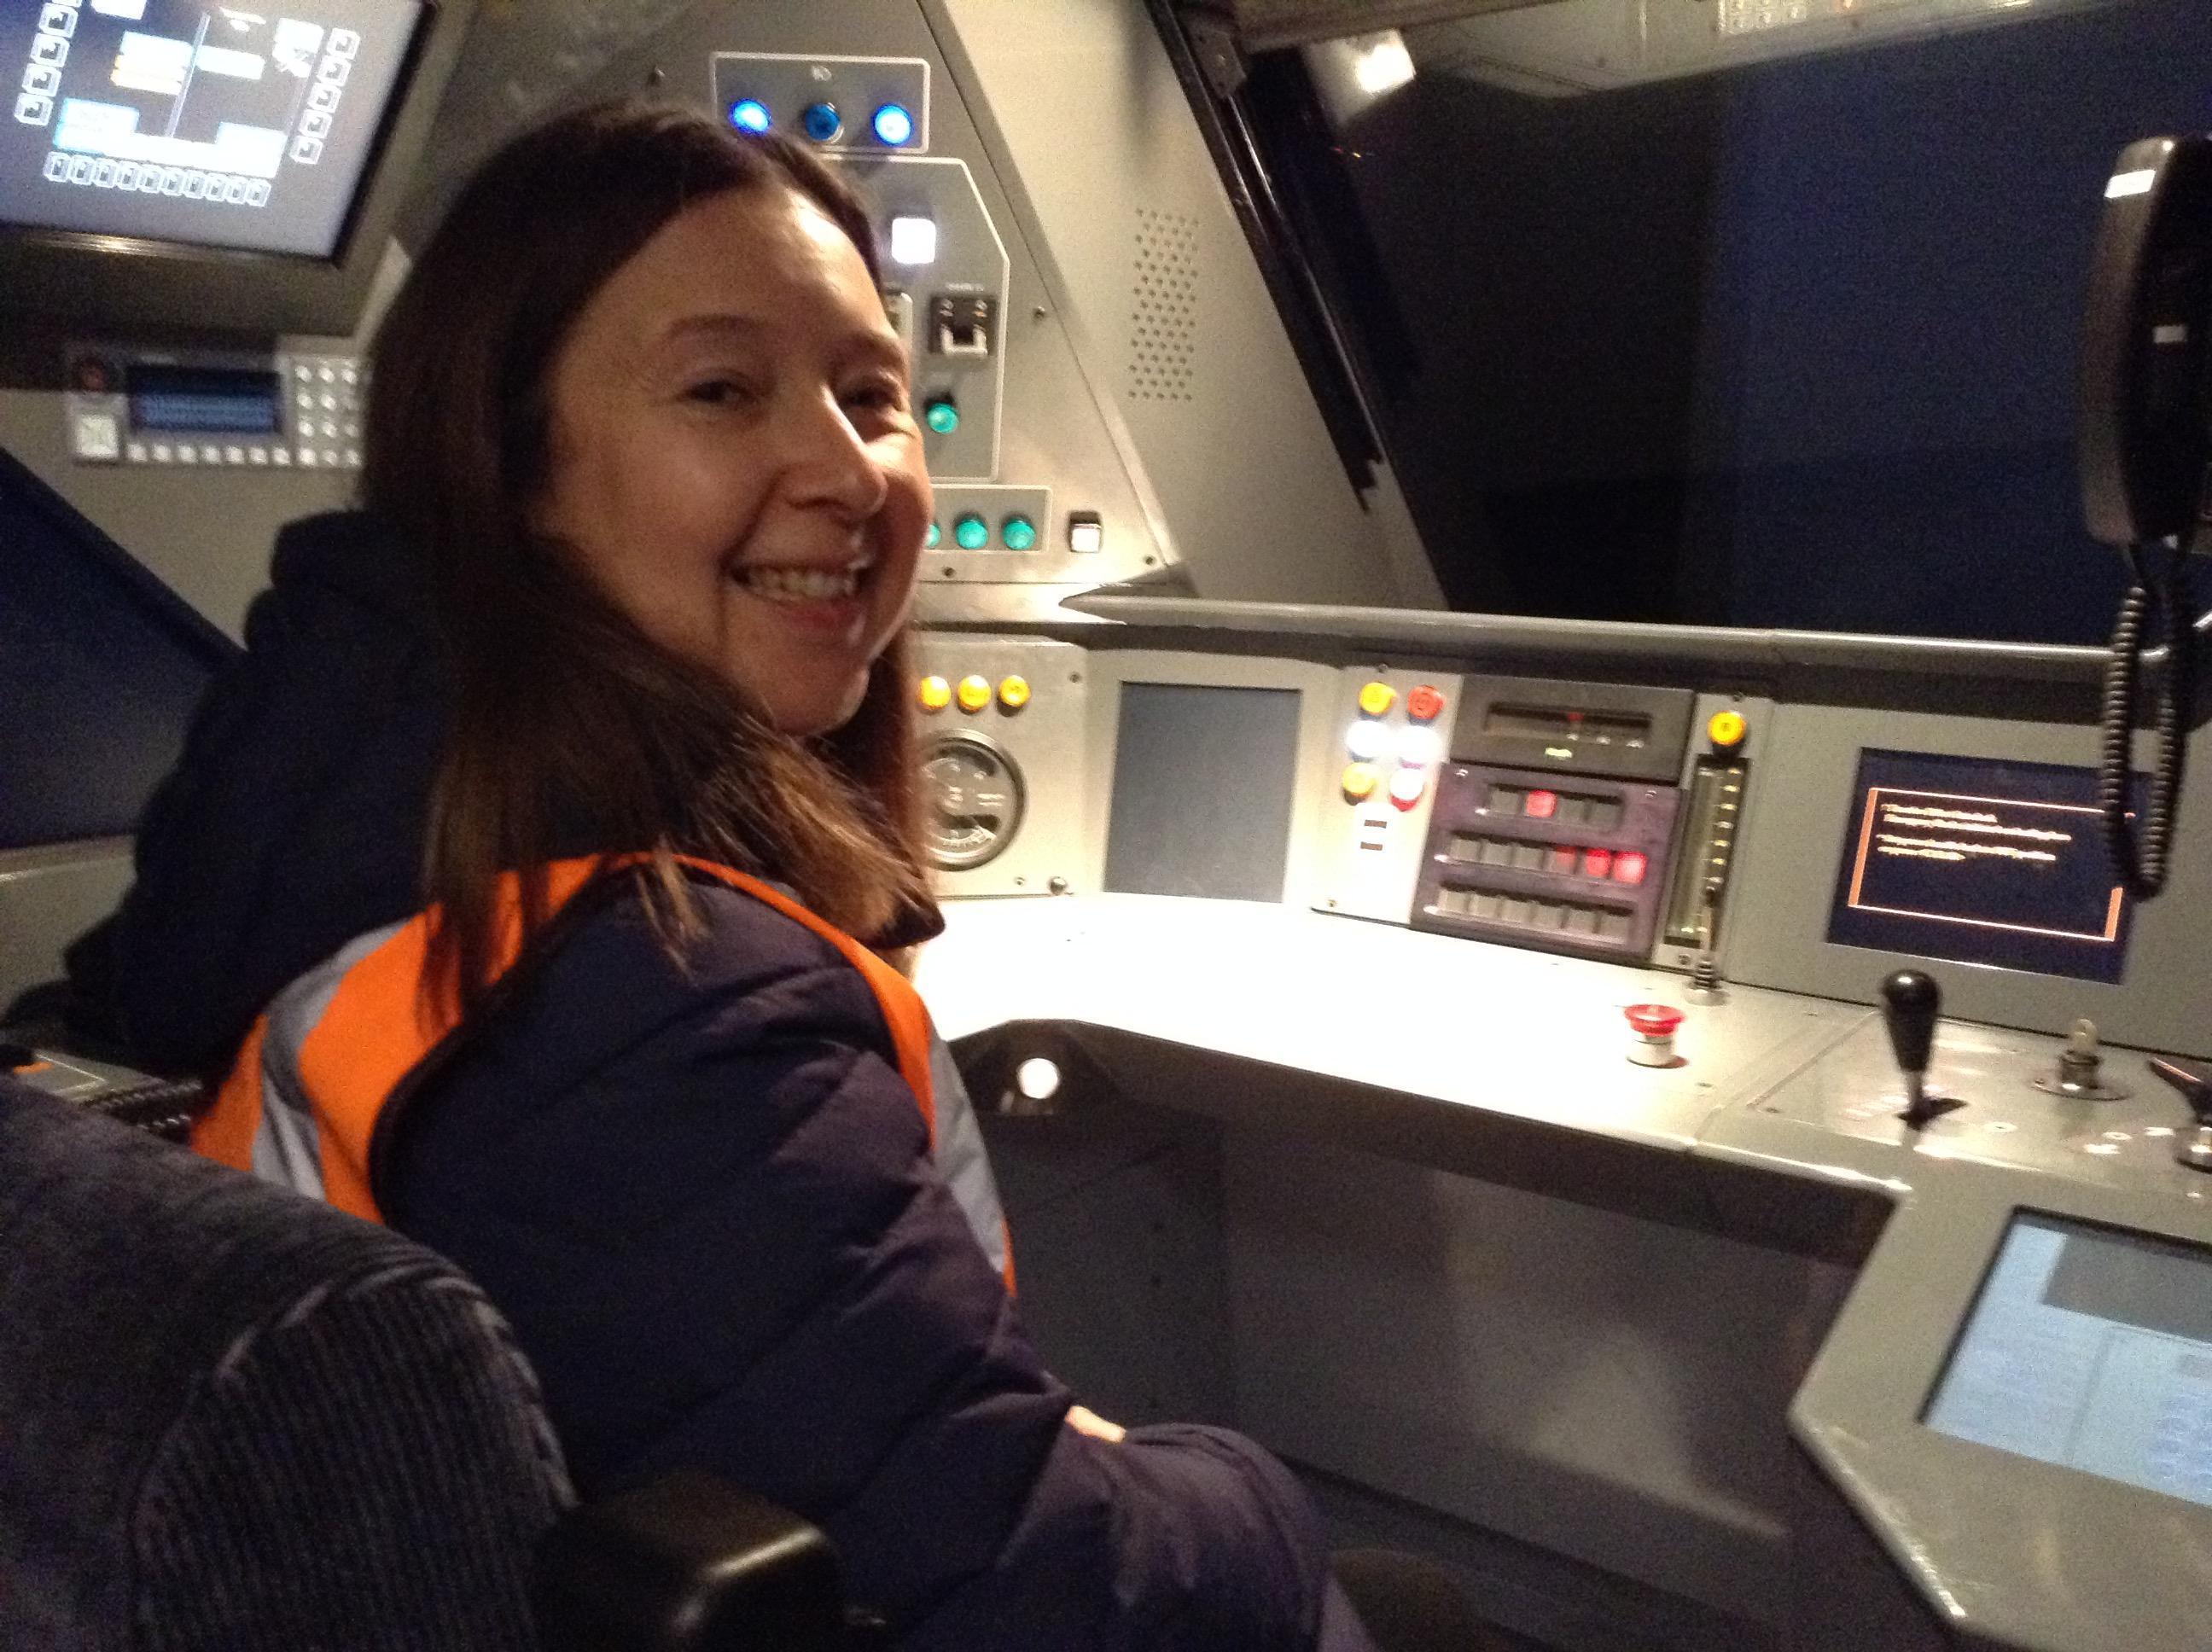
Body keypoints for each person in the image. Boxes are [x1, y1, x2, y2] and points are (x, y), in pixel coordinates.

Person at [94, 102, 1386, 1649]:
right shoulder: (646, 1002)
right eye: (722, 390)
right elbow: (1035, 1600)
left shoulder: (342, 836)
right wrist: (1245, 1482)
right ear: (514, 472)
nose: (845, 470)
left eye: (872, 395)